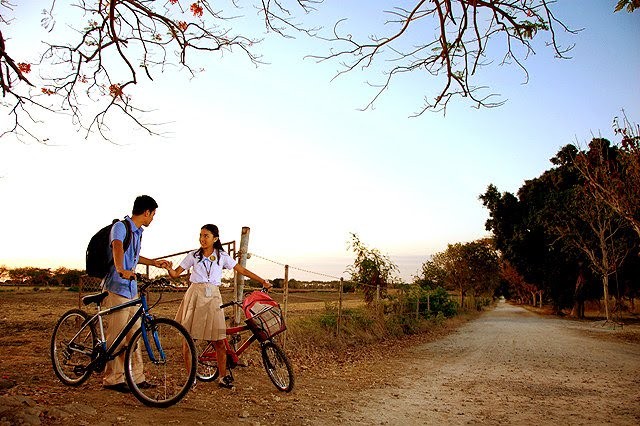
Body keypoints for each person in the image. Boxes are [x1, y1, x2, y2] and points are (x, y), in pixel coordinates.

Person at [165, 224, 271, 389]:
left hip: (213, 296)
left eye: (206, 236)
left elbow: (241, 269)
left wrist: (262, 280)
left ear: (215, 239)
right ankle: (190, 378)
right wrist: (168, 268)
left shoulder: (221, 256)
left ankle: (222, 377)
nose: (202, 239)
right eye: (201, 235)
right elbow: (175, 274)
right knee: (189, 339)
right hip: (195, 295)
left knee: (219, 339)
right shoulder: (193, 255)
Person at [102, 195, 170, 393]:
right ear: (146, 212)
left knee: (135, 334)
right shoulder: (121, 227)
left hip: (131, 290)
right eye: (153, 215)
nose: (152, 219)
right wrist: (120, 268)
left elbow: (134, 255)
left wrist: (154, 263)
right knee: (117, 335)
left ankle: (136, 378)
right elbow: (117, 247)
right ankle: (112, 379)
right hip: (117, 287)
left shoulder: (138, 232)